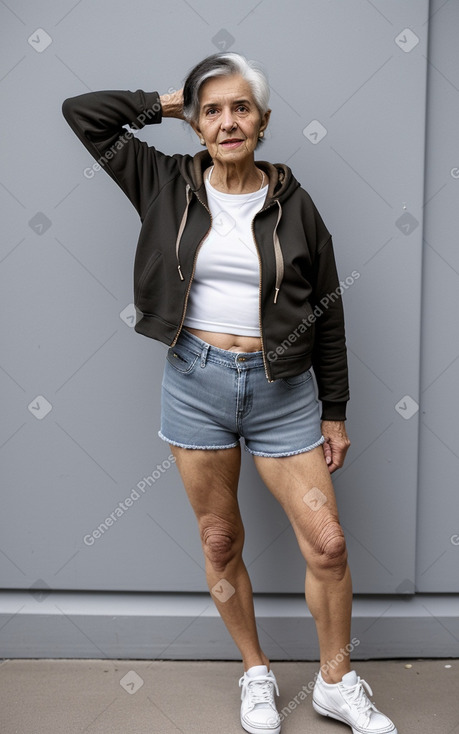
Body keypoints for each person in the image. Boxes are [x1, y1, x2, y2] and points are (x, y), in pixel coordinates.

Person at [62, 52, 397, 734]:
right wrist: (169, 99)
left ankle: (336, 682)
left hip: (283, 393)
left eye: (240, 107)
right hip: (196, 382)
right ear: (195, 122)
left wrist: (334, 411)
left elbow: (327, 312)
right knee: (219, 542)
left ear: (263, 121)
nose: (226, 121)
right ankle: (255, 672)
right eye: (211, 109)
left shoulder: (295, 204)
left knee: (327, 544)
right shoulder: (160, 180)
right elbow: (84, 115)